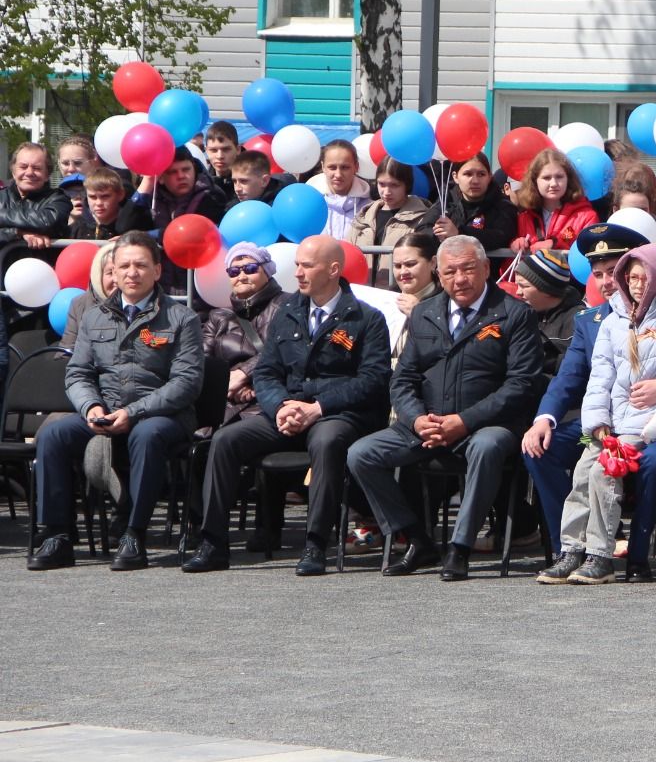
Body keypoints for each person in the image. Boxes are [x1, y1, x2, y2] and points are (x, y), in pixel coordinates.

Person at [182, 236, 391, 574]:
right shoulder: (289, 311)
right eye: (296, 265)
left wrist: (316, 407)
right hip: (287, 410)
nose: (298, 273)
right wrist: (279, 406)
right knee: (224, 440)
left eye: (307, 265)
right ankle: (213, 543)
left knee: (326, 441)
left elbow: (372, 380)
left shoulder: (366, 318)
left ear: (333, 270)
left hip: (334, 414)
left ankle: (315, 544)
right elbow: (266, 371)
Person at [348, 235, 544, 581]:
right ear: (439, 274)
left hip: (487, 424)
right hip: (429, 421)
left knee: (487, 446)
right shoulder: (425, 313)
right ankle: (416, 539)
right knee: (361, 454)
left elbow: (521, 384)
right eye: (450, 272)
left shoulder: (514, 314)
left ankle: (460, 546)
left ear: (485, 268)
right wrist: (417, 418)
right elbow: (402, 379)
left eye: (468, 269)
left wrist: (464, 421)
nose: (460, 279)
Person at [27, 232, 202, 571]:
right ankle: (58, 535)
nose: (131, 273)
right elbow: (77, 373)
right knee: (53, 435)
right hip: (104, 409)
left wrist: (133, 413)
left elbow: (187, 383)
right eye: (124, 266)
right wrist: (90, 407)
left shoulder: (182, 318)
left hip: (161, 415)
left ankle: (133, 535)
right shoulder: (95, 317)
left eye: (140, 265)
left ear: (157, 271)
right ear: (114, 272)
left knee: (146, 435)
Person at [546, 243, 656, 584]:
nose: (636, 285)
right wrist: (597, 425)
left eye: (643, 277)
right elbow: (599, 379)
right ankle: (571, 550)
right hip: (613, 426)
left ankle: (600, 556)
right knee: (582, 471)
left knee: (604, 474)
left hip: (653, 424)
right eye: (631, 278)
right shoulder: (612, 322)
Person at [522, 224, 651, 553]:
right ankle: (566, 547)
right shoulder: (589, 321)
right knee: (539, 449)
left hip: (645, 421)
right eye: (598, 274)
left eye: (614, 271)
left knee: (607, 461)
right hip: (596, 420)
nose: (607, 282)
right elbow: (568, 377)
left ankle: (612, 543)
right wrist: (544, 419)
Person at [189, 242, 291, 553]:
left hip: (269, 397)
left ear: (267, 270)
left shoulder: (288, 307)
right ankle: (202, 525)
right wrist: (224, 384)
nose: (241, 275)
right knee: (196, 439)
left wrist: (247, 376)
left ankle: (268, 525)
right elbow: (203, 360)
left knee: (253, 435)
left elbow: (283, 350)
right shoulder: (219, 316)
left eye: (250, 268)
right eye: (234, 270)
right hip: (226, 399)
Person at [348, 158, 430, 289]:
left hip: (400, 297)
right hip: (362, 295)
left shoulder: (421, 218)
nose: (386, 192)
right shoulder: (363, 216)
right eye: (382, 184)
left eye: (394, 185)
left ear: (407, 185)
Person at [511, 247, 584, 381]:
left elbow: (581, 367)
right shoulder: (521, 315)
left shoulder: (578, 321)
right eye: (517, 285)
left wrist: (545, 358)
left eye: (525, 286)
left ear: (547, 290)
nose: (518, 292)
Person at [512, 147, 598, 251]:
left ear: (568, 179)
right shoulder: (524, 217)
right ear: (535, 181)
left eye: (559, 177)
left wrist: (555, 245)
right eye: (546, 178)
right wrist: (517, 243)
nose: (553, 184)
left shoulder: (586, 217)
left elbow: (590, 255)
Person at [436, 151, 517, 253]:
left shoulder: (504, 206)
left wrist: (459, 233)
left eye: (481, 174)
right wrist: (439, 232)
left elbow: (501, 236)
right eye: (468, 174)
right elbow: (424, 228)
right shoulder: (446, 200)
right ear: (455, 177)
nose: (475, 181)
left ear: (489, 177)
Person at [0, 142, 71, 248]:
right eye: (23, 167)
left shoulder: (59, 199)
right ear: (13, 172)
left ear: (47, 175)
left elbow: (48, 221)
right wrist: (17, 233)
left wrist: (2, 215)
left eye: (37, 168)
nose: (29, 172)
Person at [134, 146, 225, 228]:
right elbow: (124, 228)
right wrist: (147, 182)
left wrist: (157, 235)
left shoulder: (212, 196)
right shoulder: (151, 198)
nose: (181, 176)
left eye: (186, 169)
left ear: (194, 169)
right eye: (173, 172)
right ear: (161, 177)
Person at [309, 140, 372, 242]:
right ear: (323, 167)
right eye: (332, 167)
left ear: (356, 167)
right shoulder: (309, 205)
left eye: (345, 167)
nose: (338, 174)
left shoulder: (369, 208)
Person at [71, 166, 153, 240]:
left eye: (105, 196)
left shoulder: (137, 224)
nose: (98, 203)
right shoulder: (78, 228)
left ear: (121, 195)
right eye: (93, 197)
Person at [203, 122, 241, 188]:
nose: (220, 156)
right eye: (213, 150)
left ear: (238, 150)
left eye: (226, 149)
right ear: (206, 151)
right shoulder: (198, 184)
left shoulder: (253, 184)